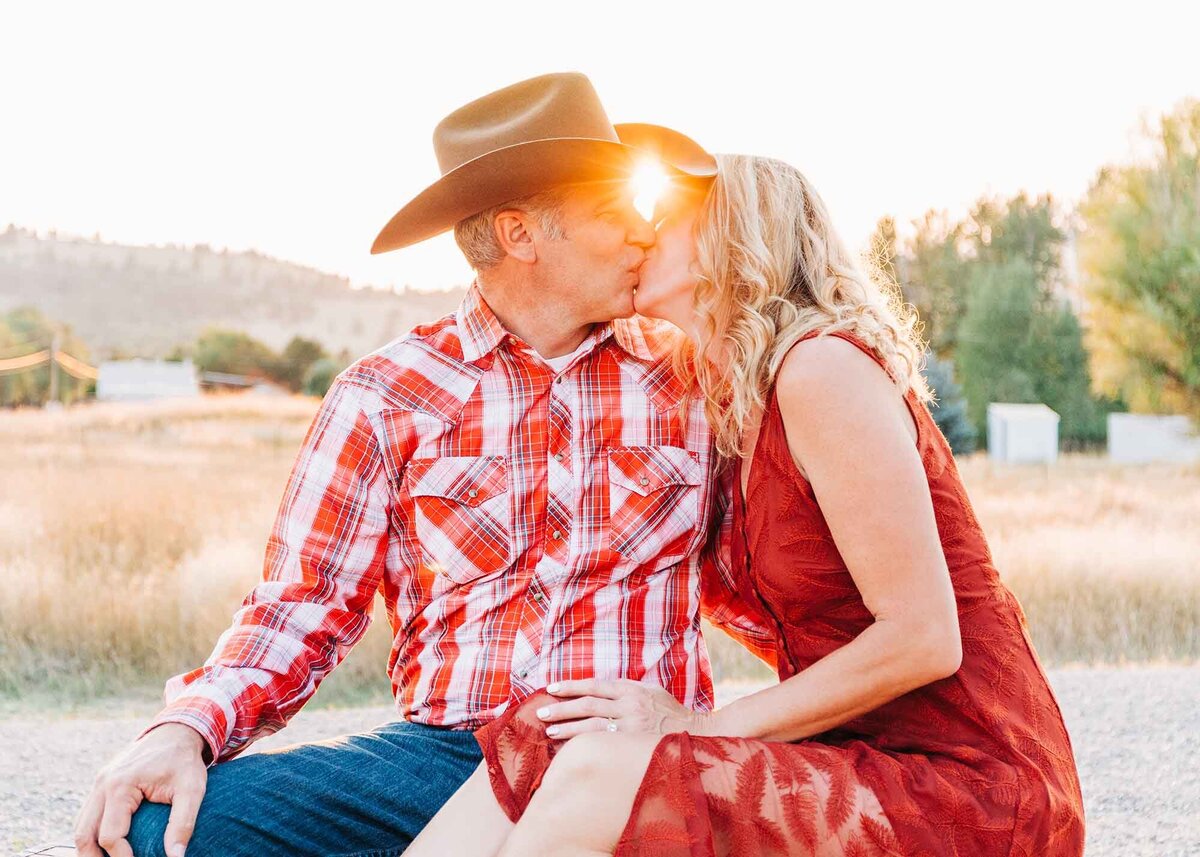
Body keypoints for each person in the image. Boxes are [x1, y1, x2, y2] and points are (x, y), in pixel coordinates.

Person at [71, 72, 775, 857]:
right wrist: (184, 727)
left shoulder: (690, 378)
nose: (646, 235)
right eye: (616, 213)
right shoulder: (384, 393)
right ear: (521, 235)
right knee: (159, 833)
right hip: (444, 760)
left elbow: (770, 582)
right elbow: (303, 603)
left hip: (637, 755)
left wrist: (866, 706)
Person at [407, 154, 1086, 856]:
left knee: (598, 774)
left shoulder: (822, 368)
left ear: (727, 236)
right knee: (550, 730)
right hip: (854, 753)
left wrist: (699, 726)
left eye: (662, 216)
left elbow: (924, 638)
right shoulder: (734, 406)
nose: (639, 234)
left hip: (963, 784)